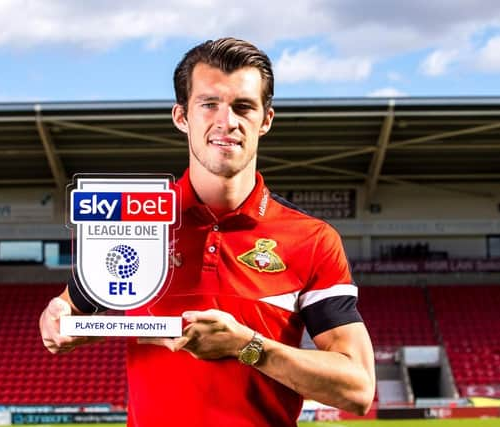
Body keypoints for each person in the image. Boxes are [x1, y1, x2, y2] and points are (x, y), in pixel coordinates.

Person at [40, 37, 375, 427]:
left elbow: (358, 389)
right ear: (182, 116)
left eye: (243, 106)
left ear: (265, 120)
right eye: (209, 104)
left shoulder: (312, 239)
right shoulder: (135, 221)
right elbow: (66, 313)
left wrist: (247, 346)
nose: (226, 121)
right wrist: (57, 318)